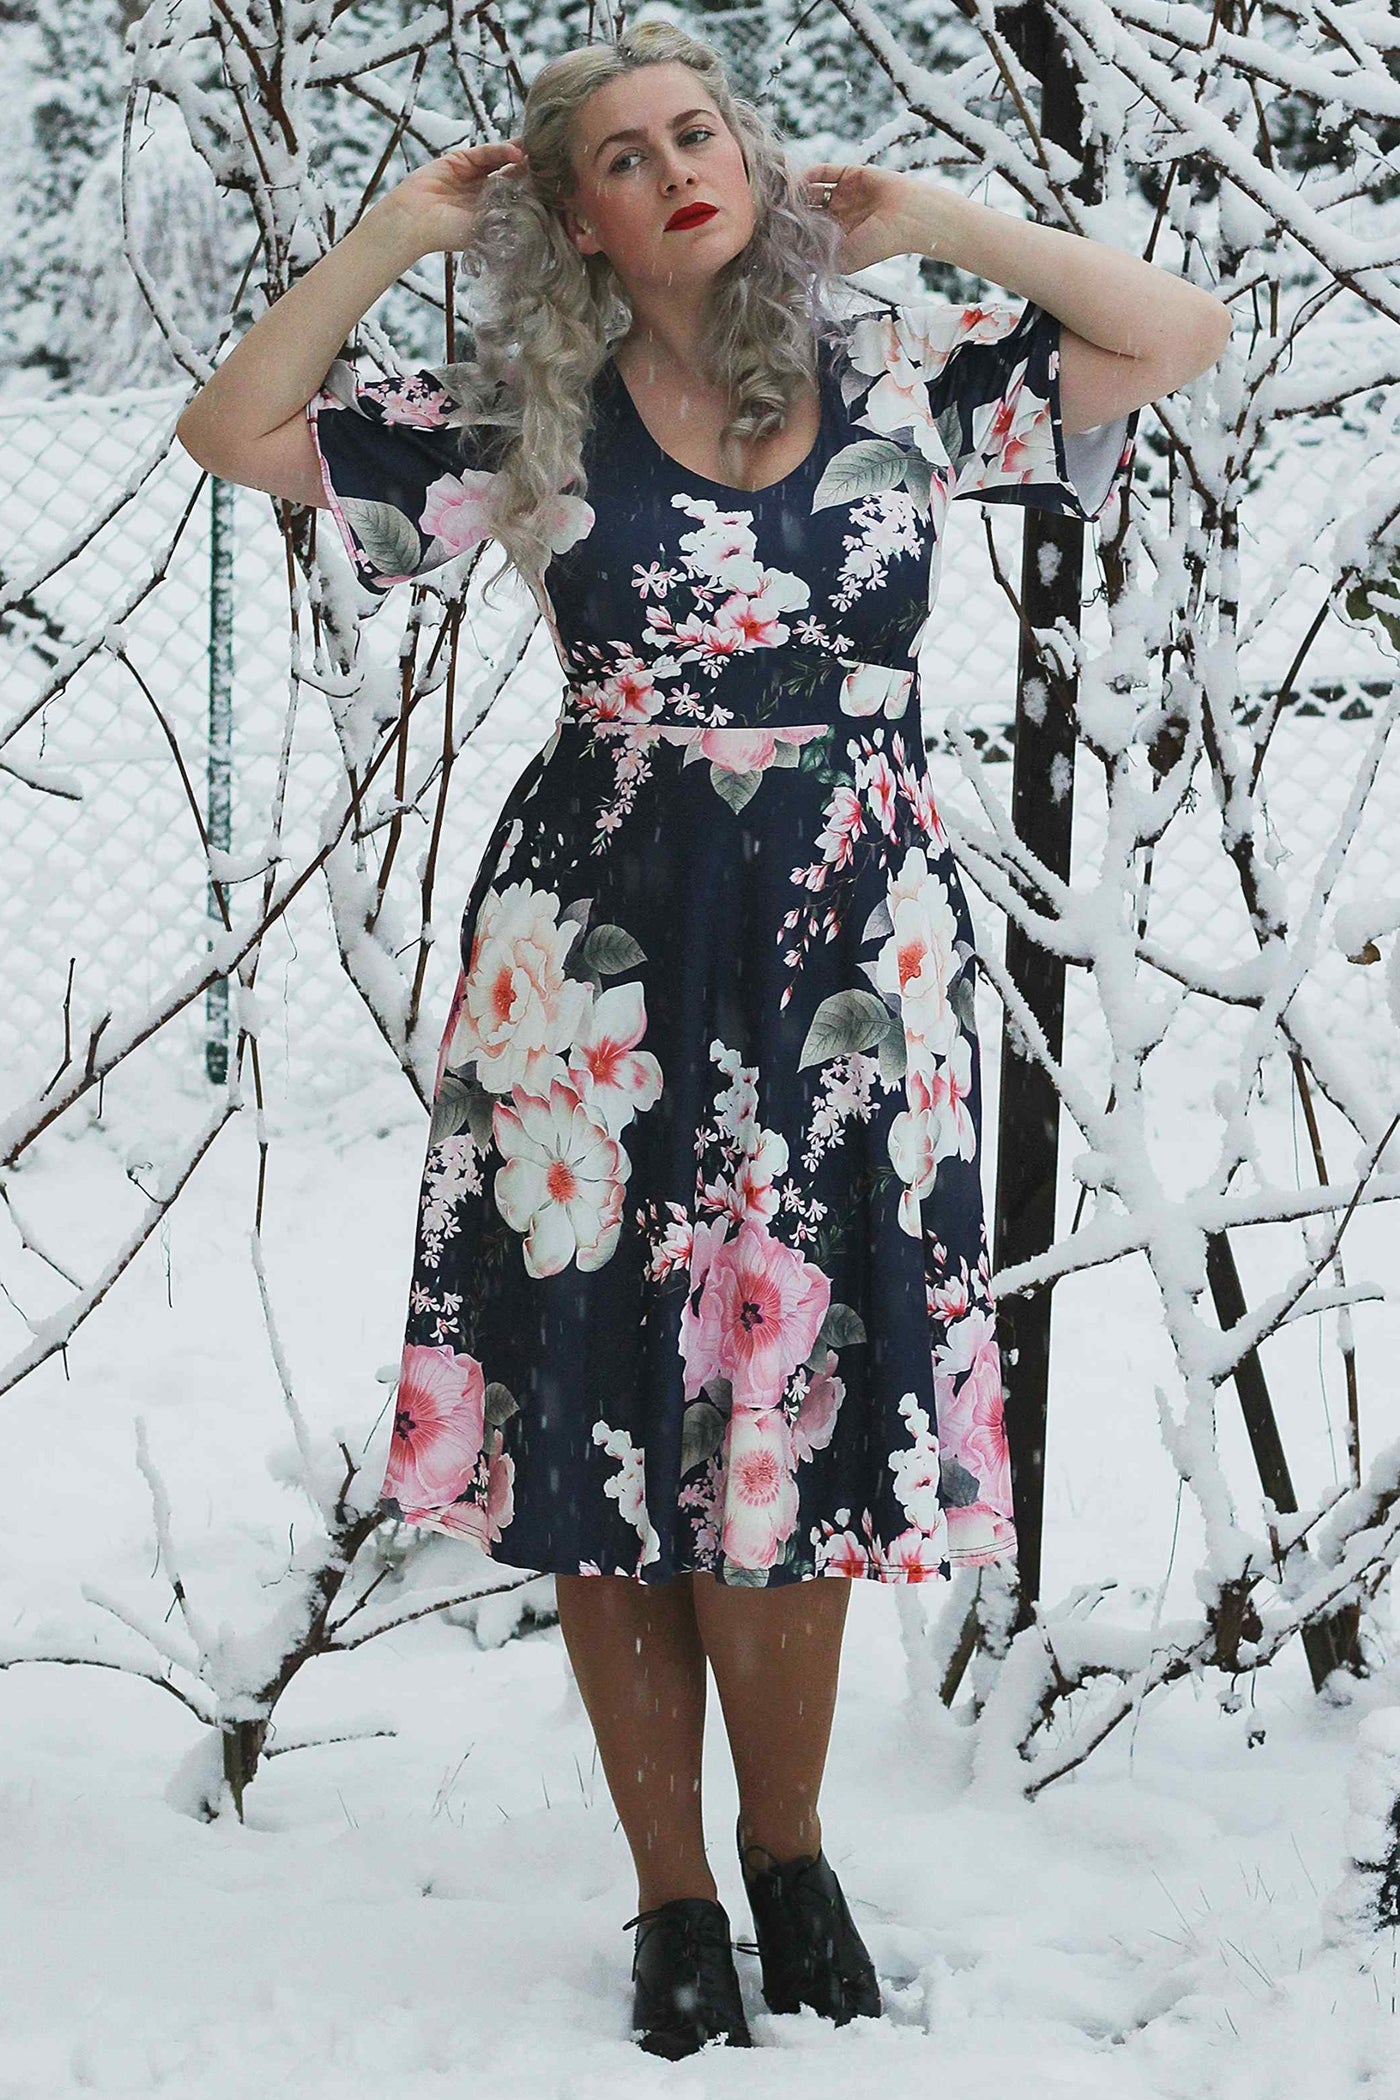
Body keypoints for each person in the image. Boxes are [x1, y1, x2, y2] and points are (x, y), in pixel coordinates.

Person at [176, 17, 1230, 2059]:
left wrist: (928, 220)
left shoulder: (892, 369)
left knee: (799, 1411)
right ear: (574, 213)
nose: (676, 168)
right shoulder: (531, 410)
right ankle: (668, 1891)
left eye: (698, 131)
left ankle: (789, 1847)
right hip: (595, 968)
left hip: (842, 961)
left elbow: (1169, 332)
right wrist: (402, 229)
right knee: (600, 1433)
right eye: (625, 155)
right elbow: (236, 430)